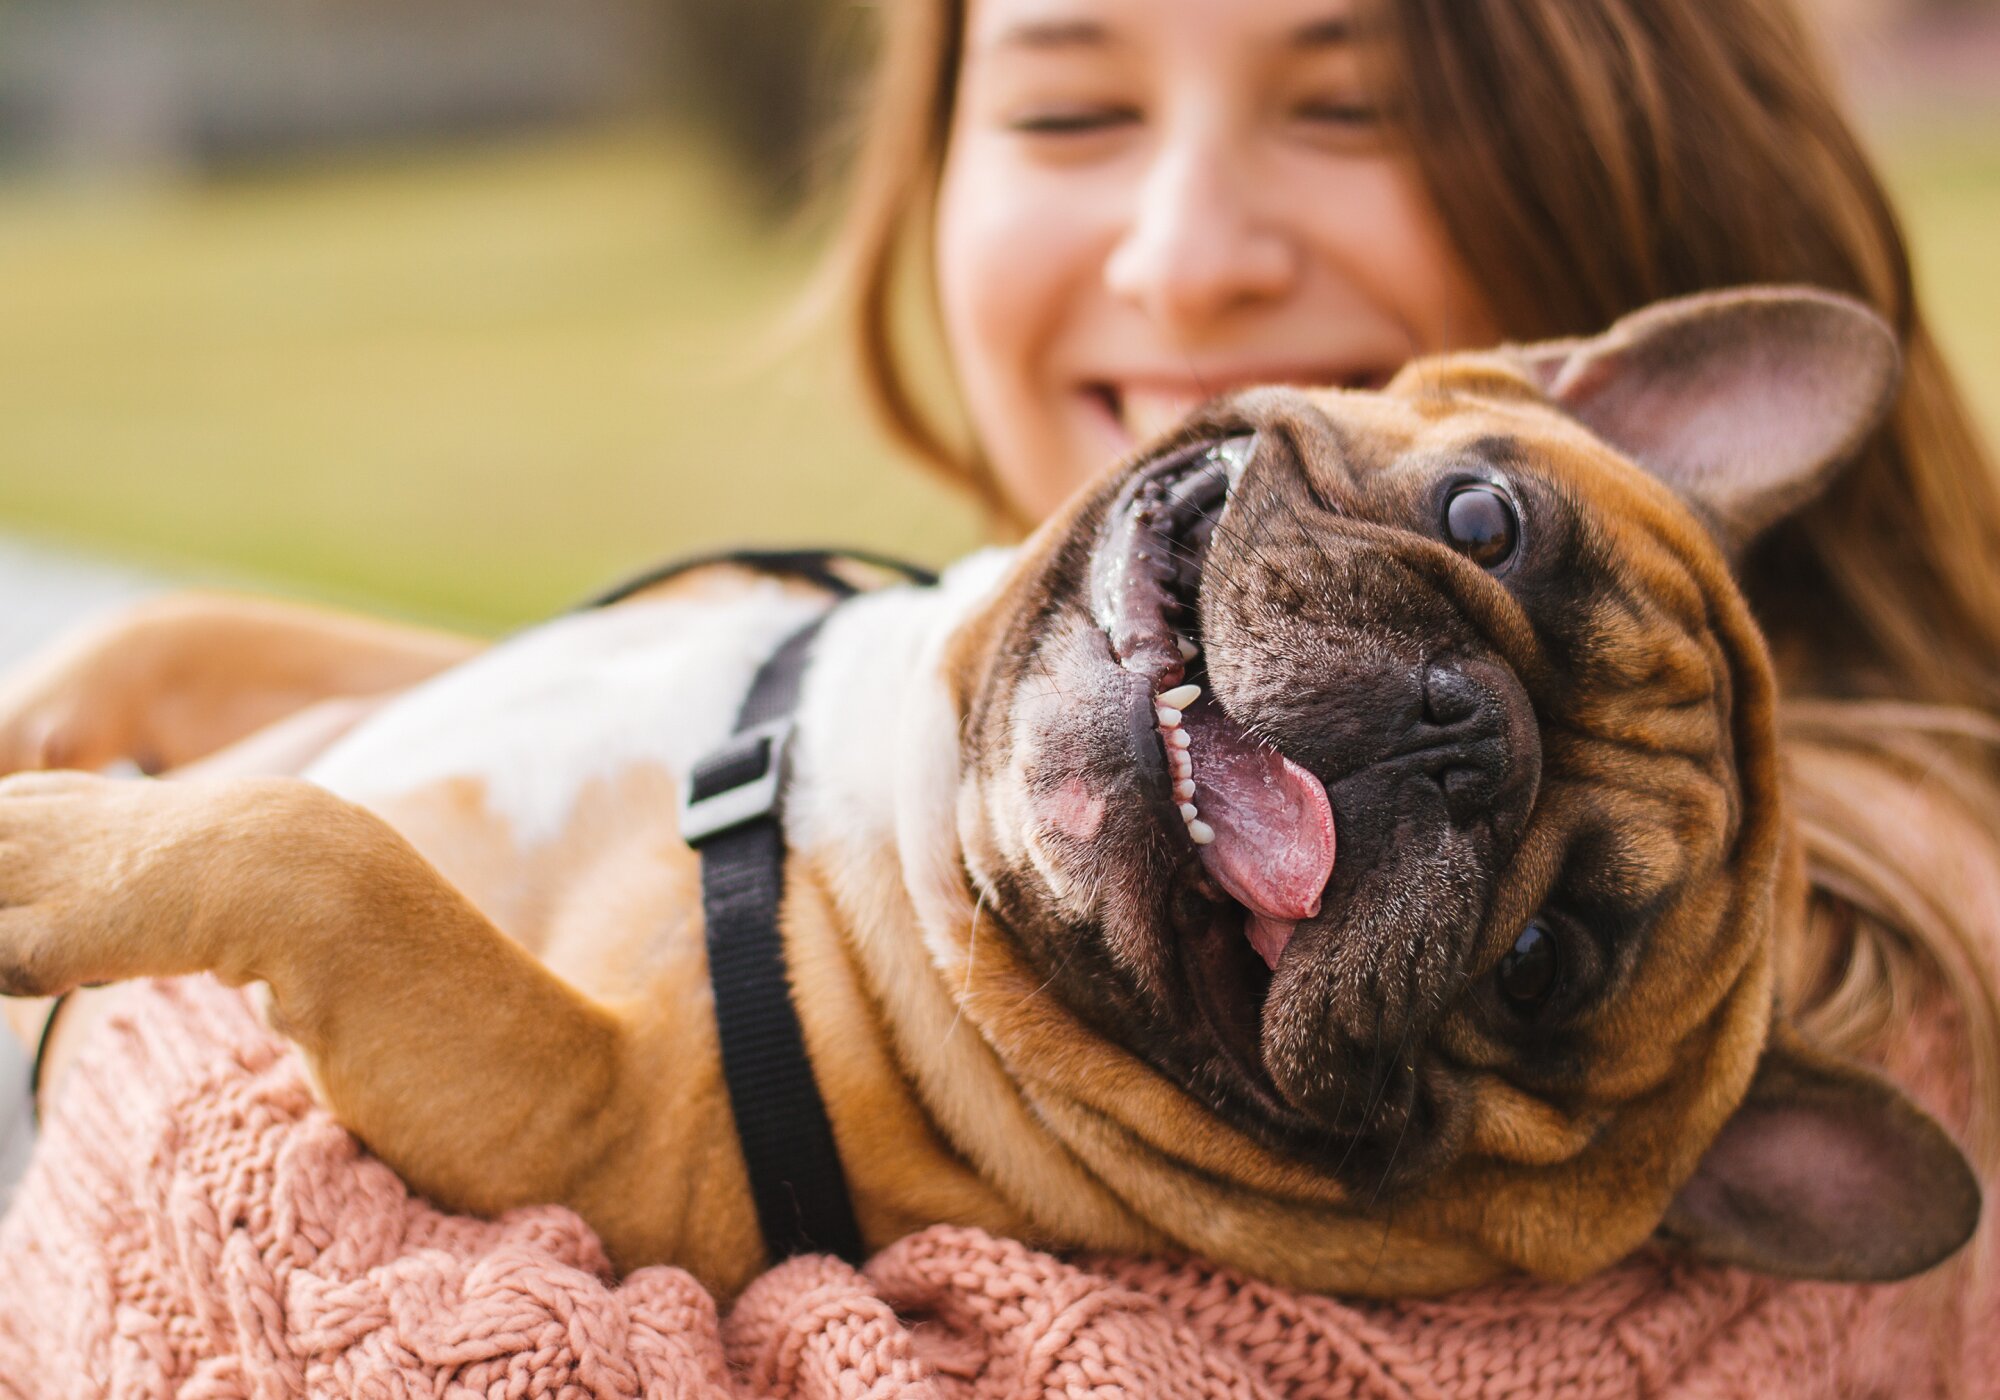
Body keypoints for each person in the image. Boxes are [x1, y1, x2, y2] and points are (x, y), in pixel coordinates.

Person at [2, 0, 1996, 1387]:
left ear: (1640, 177)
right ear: (1566, 380)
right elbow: (604, 749)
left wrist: (166, 969)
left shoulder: (1892, 972)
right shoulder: (954, 679)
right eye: (1065, 110)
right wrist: (269, 677)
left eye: (1553, 944)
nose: (1183, 251)